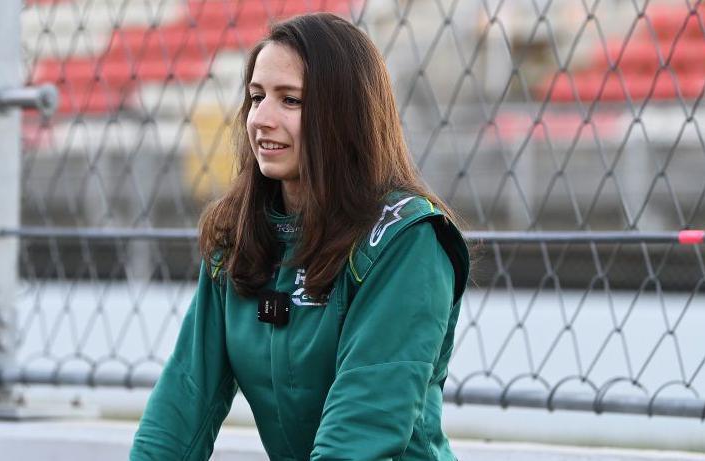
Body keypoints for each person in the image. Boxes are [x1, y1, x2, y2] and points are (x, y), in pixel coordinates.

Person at [130, 12, 469, 461]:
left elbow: (360, 432)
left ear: (346, 114)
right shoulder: (238, 235)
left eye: (290, 100)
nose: (261, 119)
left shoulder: (406, 241)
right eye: (256, 97)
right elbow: (184, 398)